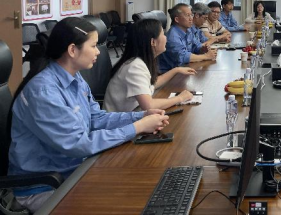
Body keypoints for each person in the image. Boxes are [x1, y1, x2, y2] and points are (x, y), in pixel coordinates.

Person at [8, 18, 169, 213]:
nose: (98, 51)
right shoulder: (43, 92)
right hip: (46, 185)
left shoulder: (75, 77)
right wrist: (138, 127)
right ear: (72, 50)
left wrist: (140, 116)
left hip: (74, 169)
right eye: (93, 46)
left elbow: (96, 118)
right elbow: (79, 144)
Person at [104, 19, 196, 112]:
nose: (166, 38)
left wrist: (176, 70)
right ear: (153, 42)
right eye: (163, 34)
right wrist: (180, 98)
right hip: (124, 119)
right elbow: (149, 105)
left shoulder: (140, 61)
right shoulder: (134, 67)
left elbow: (151, 84)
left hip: (134, 113)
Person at [158, 4, 217, 73]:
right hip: (169, 73)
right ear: (177, 19)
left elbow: (196, 46)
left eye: (191, 15)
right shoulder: (173, 36)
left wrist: (202, 49)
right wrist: (206, 56)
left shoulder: (188, 31)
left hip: (184, 68)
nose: (191, 18)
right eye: (187, 15)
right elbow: (183, 57)